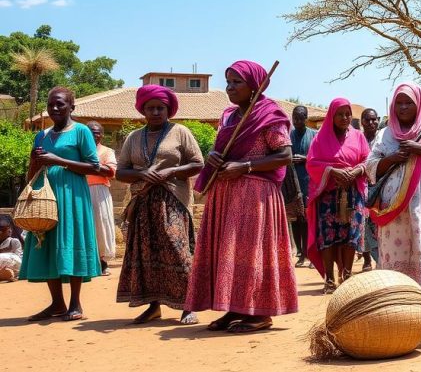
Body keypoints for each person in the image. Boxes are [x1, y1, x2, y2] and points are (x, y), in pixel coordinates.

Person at [185, 61, 298, 333]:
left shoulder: (270, 115)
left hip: (256, 196)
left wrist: (245, 166)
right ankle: (233, 308)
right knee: (228, 252)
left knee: (250, 252)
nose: (230, 87)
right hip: (226, 194)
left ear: (255, 85)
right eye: (228, 81)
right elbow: (223, 150)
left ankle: (258, 313)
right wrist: (214, 156)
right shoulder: (229, 117)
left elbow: (284, 156)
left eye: (237, 82)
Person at [116, 85, 204, 325]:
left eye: (160, 108)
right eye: (150, 108)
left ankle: (188, 306)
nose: (155, 112)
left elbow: (198, 163)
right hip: (143, 202)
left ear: (168, 110)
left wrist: (172, 171)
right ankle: (153, 305)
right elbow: (120, 171)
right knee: (146, 254)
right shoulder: (134, 137)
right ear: (142, 110)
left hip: (173, 200)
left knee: (177, 249)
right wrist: (143, 174)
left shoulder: (180, 132)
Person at [21, 87, 102, 322]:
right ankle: (57, 303)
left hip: (72, 194)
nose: (54, 108)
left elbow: (94, 167)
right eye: (51, 105)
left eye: (60, 104)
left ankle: (75, 303)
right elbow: (31, 173)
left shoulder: (81, 131)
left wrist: (59, 160)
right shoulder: (41, 136)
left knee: (71, 240)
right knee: (45, 244)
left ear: (71, 107)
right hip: (45, 196)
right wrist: (35, 162)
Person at [366, 83, 421, 288]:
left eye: (409, 103)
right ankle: (397, 297)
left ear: (419, 104)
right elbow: (371, 166)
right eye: (399, 103)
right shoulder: (385, 134)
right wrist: (393, 158)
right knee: (395, 250)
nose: (403, 107)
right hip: (393, 207)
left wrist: (418, 148)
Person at [305, 98, 370, 293]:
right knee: (328, 236)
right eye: (340, 114)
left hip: (353, 192)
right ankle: (330, 278)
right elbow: (312, 163)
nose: (345, 118)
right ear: (331, 116)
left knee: (352, 234)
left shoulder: (358, 136)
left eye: (348, 114)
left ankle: (348, 275)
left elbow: (369, 160)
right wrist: (333, 171)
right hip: (328, 194)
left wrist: (356, 171)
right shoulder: (320, 138)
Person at [85, 121, 117, 275]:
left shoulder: (107, 151)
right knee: (83, 225)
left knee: (101, 225)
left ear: (101, 135)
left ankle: (102, 261)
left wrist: (88, 166)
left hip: (99, 191)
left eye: (96, 132)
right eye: (90, 132)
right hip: (80, 190)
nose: (93, 135)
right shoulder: (78, 151)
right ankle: (85, 261)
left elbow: (110, 172)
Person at [289, 106, 317, 267]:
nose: (298, 121)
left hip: (309, 184)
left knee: (309, 220)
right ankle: (301, 253)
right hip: (292, 184)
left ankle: (312, 254)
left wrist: (306, 159)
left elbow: (320, 157)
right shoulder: (288, 136)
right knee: (296, 220)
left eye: (301, 118)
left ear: (306, 118)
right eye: (295, 118)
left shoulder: (314, 135)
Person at [359, 107, 383, 270]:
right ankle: (367, 259)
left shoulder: (383, 139)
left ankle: (381, 260)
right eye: (367, 120)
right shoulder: (357, 139)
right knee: (364, 225)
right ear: (362, 122)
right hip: (362, 187)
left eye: (374, 119)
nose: (371, 122)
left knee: (379, 224)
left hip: (381, 186)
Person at [0, 215, 22, 282]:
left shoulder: (13, 241)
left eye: (10, 228)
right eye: (5, 230)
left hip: (13, 266)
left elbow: (17, 259)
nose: (10, 231)